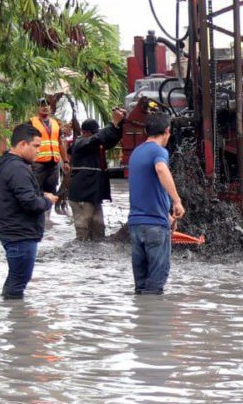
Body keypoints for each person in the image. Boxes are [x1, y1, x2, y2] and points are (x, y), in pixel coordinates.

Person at [0, 124, 59, 299]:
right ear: (23, 144)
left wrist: (40, 194)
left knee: (15, 280)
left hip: (13, 232)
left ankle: (13, 318)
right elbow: (30, 204)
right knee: (18, 283)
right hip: (20, 234)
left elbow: (20, 194)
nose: (38, 151)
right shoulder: (18, 169)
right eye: (36, 146)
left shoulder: (10, 164)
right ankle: (18, 323)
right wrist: (46, 200)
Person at [127, 112, 185, 294]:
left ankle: (142, 319)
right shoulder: (159, 152)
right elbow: (161, 169)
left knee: (141, 286)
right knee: (155, 286)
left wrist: (167, 215)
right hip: (154, 228)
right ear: (167, 131)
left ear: (147, 130)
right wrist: (177, 200)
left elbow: (147, 190)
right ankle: (154, 320)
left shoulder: (136, 152)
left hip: (136, 226)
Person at [68, 109, 125, 241]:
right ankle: (81, 255)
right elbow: (98, 137)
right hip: (82, 194)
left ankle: (95, 257)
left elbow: (110, 139)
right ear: (84, 132)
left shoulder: (96, 144)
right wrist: (112, 122)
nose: (96, 135)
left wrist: (119, 124)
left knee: (98, 230)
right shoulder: (79, 143)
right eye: (93, 133)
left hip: (94, 194)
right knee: (83, 228)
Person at [30, 97, 70, 199]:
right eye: (42, 105)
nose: (45, 107)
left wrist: (65, 161)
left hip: (53, 164)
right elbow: (26, 142)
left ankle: (47, 213)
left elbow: (60, 143)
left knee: (51, 191)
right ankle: (38, 213)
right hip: (38, 163)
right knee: (36, 190)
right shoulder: (31, 122)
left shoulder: (55, 123)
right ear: (37, 108)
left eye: (46, 105)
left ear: (50, 107)